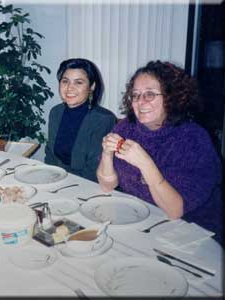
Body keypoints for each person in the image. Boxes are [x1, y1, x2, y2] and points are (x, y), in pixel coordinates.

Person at [97, 60, 222, 243]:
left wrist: (145, 163)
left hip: (193, 233)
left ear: (171, 97)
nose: (140, 102)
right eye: (135, 95)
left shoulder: (193, 139)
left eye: (150, 94)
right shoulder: (126, 127)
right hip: (145, 222)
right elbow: (107, 186)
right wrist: (107, 155)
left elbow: (175, 210)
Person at [45, 58, 116, 181]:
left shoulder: (104, 120)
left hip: (86, 185)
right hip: (55, 180)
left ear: (92, 86)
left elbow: (93, 171)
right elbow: (50, 154)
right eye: (65, 81)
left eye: (78, 82)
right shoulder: (56, 112)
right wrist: (48, 179)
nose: (69, 88)